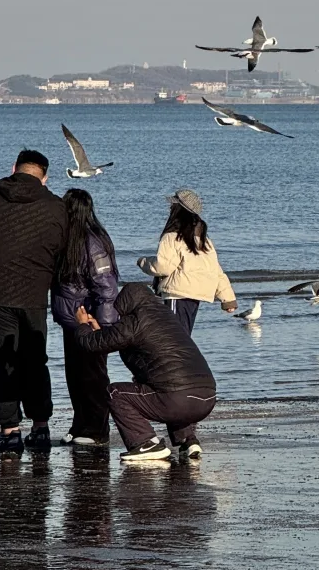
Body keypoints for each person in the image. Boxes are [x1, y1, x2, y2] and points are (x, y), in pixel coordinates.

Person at [0, 148, 69, 455]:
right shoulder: (55, 206)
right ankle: (41, 428)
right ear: (44, 177)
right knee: (33, 359)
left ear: (14, 168)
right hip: (33, 293)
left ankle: (10, 430)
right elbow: (62, 246)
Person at [74, 281, 217, 462]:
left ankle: (145, 443)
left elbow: (93, 344)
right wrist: (100, 332)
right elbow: (119, 340)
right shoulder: (168, 317)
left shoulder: (135, 320)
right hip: (206, 399)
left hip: (177, 401)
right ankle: (188, 440)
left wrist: (82, 326)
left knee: (115, 392)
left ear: (127, 304)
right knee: (168, 383)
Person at [51, 188, 120, 446]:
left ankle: (97, 429)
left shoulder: (92, 243)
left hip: (89, 321)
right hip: (71, 320)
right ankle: (80, 424)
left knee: (93, 376)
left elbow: (107, 287)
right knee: (75, 376)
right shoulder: (66, 239)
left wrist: (101, 324)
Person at [137, 188, 237, 331]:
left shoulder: (172, 236)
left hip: (177, 293)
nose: (170, 207)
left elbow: (163, 266)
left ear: (178, 210)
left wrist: (143, 262)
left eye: (173, 205)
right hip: (195, 293)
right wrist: (228, 299)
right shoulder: (203, 239)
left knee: (174, 337)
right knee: (183, 336)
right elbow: (215, 269)